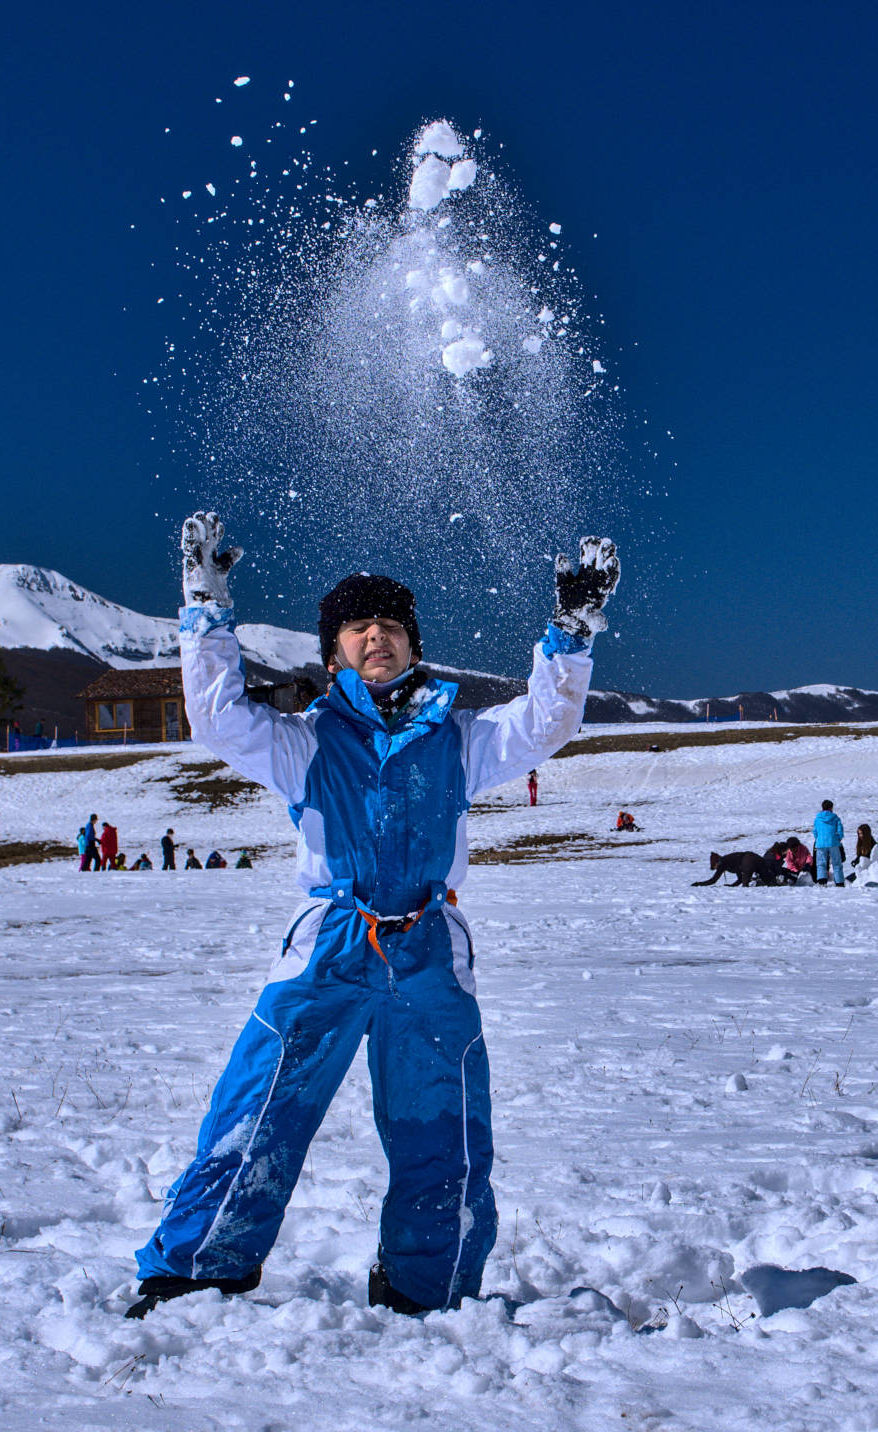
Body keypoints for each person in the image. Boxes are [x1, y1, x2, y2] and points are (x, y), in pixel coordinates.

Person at [127, 510, 618, 1322]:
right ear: (333, 653)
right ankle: (198, 1269)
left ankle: (427, 1290)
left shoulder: (458, 739)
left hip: (428, 949)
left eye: (391, 623)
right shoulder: (306, 741)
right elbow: (216, 718)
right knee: (259, 1107)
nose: (376, 635)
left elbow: (547, 722)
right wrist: (206, 612)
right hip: (329, 945)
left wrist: (569, 634)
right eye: (358, 625)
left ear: (413, 645)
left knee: (444, 1129)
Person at [812, 799, 845, 885]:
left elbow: (815, 831)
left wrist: (818, 839)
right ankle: (839, 882)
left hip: (820, 843)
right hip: (833, 842)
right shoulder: (835, 818)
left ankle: (822, 881)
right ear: (831, 808)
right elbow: (840, 830)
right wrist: (838, 838)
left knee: (821, 863)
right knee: (837, 863)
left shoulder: (817, 818)